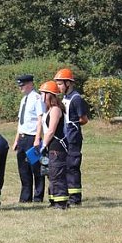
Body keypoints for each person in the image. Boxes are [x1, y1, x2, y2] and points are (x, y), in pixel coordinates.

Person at [55, 68, 89, 205]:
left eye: (60, 84)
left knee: (72, 167)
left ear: (68, 83)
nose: (58, 87)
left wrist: (73, 124)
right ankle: (68, 193)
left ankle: (75, 198)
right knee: (65, 166)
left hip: (73, 137)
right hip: (65, 137)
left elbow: (84, 119)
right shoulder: (65, 98)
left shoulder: (76, 99)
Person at [34, 81, 69, 210]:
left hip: (57, 148)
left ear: (49, 95)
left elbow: (51, 131)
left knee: (57, 173)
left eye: (42, 93)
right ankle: (54, 200)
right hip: (51, 148)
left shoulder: (55, 110)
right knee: (52, 174)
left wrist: (43, 145)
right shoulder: (48, 110)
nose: (41, 96)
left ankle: (61, 202)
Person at [11, 74, 45, 203]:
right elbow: (21, 122)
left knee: (36, 168)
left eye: (23, 85)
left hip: (32, 138)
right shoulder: (24, 100)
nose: (21, 88)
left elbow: (40, 120)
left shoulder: (37, 98)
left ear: (30, 84)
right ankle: (25, 197)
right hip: (23, 138)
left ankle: (38, 196)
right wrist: (16, 140)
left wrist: (37, 139)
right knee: (23, 169)